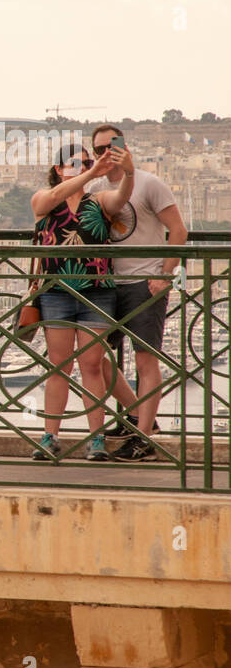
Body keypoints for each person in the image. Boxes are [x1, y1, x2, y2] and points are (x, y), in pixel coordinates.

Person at [85, 125, 186, 461]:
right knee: (95, 359)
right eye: (98, 149)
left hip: (145, 282)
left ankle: (144, 439)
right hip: (108, 284)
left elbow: (178, 230)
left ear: (124, 146)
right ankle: (139, 418)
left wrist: (165, 274)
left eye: (111, 146)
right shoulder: (95, 187)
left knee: (145, 360)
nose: (105, 153)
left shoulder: (149, 183)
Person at [30, 142, 134, 461]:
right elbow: (48, 200)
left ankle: (96, 438)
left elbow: (121, 198)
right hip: (55, 290)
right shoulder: (44, 200)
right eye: (74, 163)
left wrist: (128, 172)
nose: (83, 167)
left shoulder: (98, 201)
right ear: (59, 169)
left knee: (91, 364)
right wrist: (90, 172)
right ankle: (50, 437)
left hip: (96, 290)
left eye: (86, 162)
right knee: (59, 365)